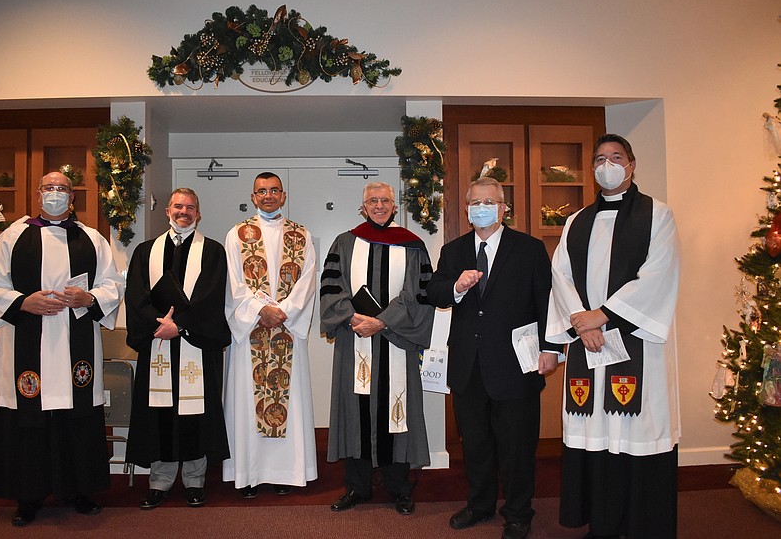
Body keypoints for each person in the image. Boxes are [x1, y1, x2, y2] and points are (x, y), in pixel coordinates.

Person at [545, 134, 681, 539]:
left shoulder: (658, 215)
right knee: (598, 433)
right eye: (600, 159)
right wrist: (580, 321)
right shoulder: (576, 221)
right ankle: (603, 525)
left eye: (616, 157)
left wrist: (600, 317)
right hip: (590, 346)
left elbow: (657, 275)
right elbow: (560, 275)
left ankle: (643, 526)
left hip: (637, 344)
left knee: (636, 432)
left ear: (632, 164)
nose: (607, 164)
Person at [0, 171, 124, 527]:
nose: (55, 194)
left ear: (72, 198)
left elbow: (114, 284)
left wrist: (89, 297)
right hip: (27, 341)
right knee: (30, 417)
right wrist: (23, 302)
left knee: (78, 416)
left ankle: (81, 491)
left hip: (77, 344)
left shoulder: (91, 239)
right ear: (38, 194)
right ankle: (27, 498)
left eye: (62, 189)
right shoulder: (13, 236)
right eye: (49, 188)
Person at [426, 177, 559, 539]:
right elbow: (435, 291)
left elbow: (547, 300)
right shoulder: (453, 251)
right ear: (467, 209)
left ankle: (518, 513)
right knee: (477, 444)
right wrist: (456, 286)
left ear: (503, 208)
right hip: (469, 367)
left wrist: (552, 349)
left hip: (517, 365)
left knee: (517, 446)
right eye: (475, 202)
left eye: (489, 201)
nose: (481, 207)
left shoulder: (529, 249)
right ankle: (480, 504)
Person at [319, 181, 434, 516]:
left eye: (385, 200)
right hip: (356, 338)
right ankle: (357, 487)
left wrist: (382, 321)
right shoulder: (344, 242)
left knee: (396, 413)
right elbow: (331, 287)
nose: (379, 205)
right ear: (363, 206)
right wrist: (353, 317)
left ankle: (400, 488)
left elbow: (419, 293)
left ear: (395, 206)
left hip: (395, 339)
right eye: (373, 200)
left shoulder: (413, 246)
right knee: (355, 411)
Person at [125, 187, 231, 509]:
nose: (183, 211)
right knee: (159, 412)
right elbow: (135, 295)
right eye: (178, 206)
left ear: (198, 214)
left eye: (190, 207)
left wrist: (180, 325)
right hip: (158, 343)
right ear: (167, 211)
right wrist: (159, 326)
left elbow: (212, 297)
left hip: (195, 345)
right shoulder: (145, 251)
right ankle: (160, 480)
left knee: (196, 410)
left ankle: (195, 479)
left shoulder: (213, 252)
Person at [222, 172, 318, 497]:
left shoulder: (301, 235)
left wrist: (284, 312)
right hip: (252, 333)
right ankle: (248, 474)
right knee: (247, 404)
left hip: (287, 331)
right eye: (261, 191)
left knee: (287, 400)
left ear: (284, 195)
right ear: (253, 197)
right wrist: (260, 311)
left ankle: (285, 473)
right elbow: (233, 284)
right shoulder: (236, 235)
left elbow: (307, 282)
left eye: (274, 190)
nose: (268, 195)